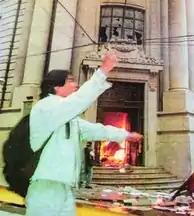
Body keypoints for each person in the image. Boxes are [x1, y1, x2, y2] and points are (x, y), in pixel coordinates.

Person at [25, 52, 142, 216]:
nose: (75, 85)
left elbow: (96, 130)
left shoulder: (68, 117)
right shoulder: (46, 107)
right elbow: (78, 101)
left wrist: (125, 135)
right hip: (46, 185)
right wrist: (103, 70)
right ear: (56, 87)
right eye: (70, 81)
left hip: (64, 186)